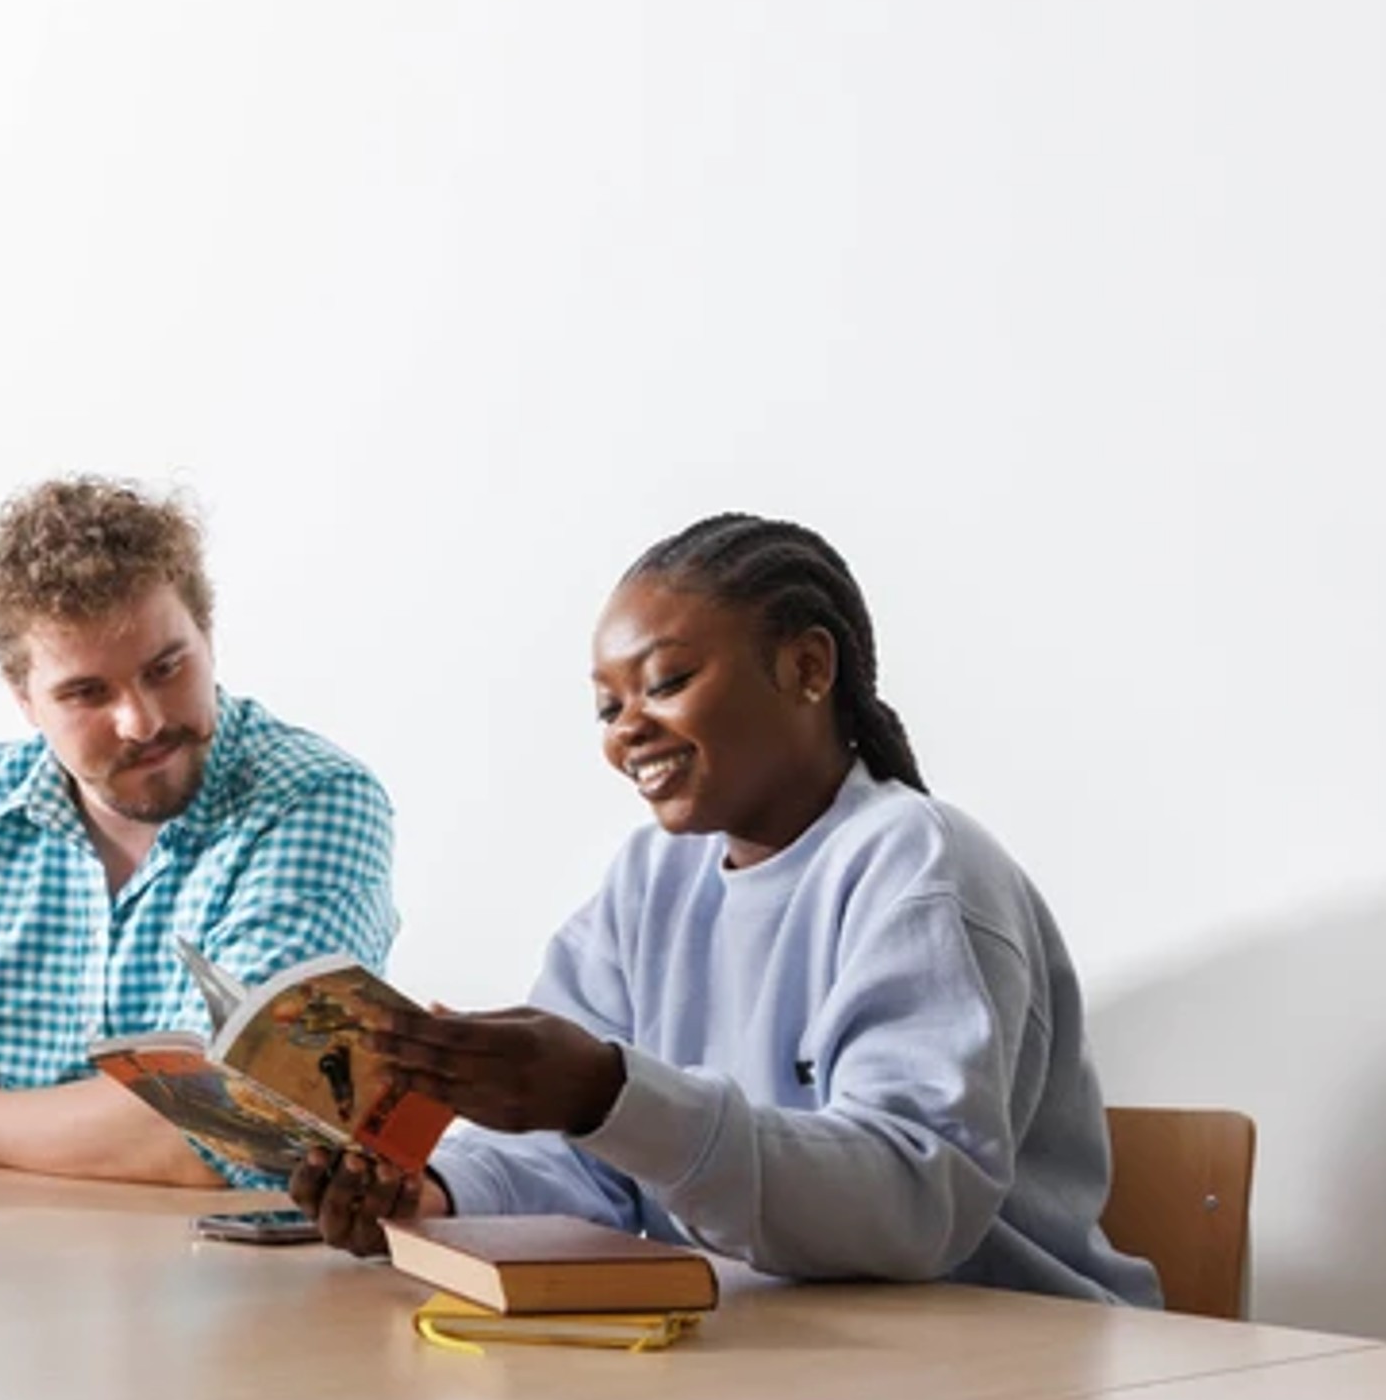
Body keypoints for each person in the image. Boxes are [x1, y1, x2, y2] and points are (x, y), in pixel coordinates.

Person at [293, 514, 1158, 1306]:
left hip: (1000, 1358)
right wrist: (437, 1193)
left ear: (807, 668)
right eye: (607, 704)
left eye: (665, 680)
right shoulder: (647, 881)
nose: (627, 727)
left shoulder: (919, 865)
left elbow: (910, 1204)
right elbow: (581, 1161)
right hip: (783, 1358)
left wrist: (608, 1091)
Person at [0, 475, 398, 1196]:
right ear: (22, 696)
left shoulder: (314, 800)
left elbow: (247, 1124)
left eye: (167, 667)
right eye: (87, 692)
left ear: (208, 637)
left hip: (217, 1288)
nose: (143, 720)